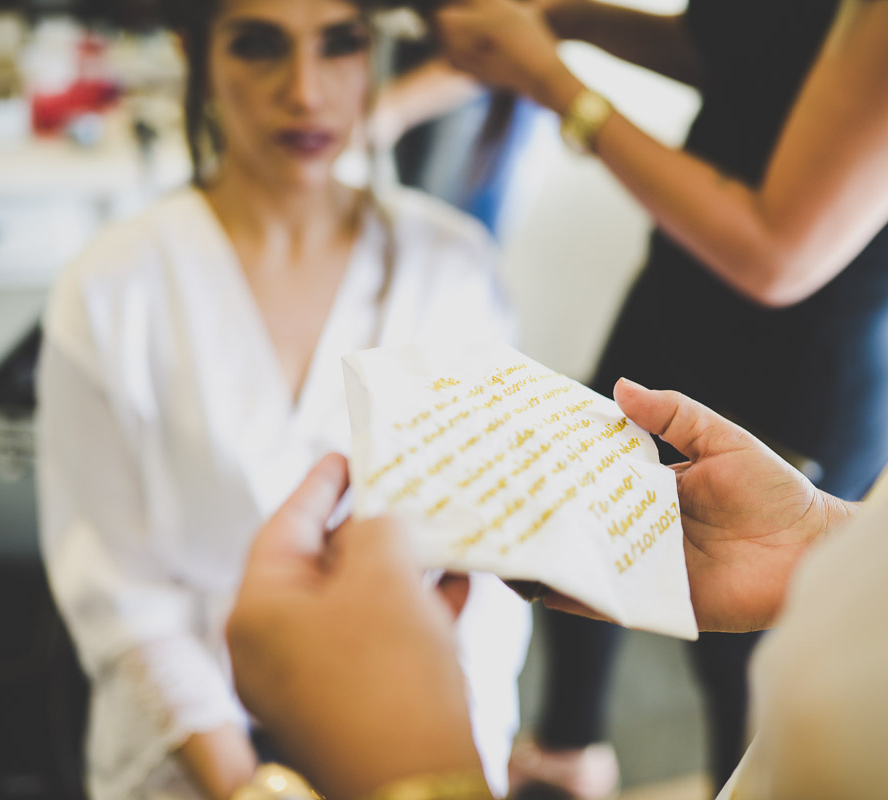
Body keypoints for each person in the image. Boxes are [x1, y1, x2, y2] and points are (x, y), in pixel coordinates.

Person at [222, 19, 888, 799]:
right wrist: (825, 547)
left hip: (799, 366)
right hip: (678, 318)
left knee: (751, 700)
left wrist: (410, 769)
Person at [429, 0, 888, 792]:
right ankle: (567, 756)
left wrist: (555, 84)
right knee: (575, 558)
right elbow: (745, 48)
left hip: (795, 374)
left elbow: (777, 253)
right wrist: (574, 18)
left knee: (744, 684)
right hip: (674, 301)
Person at [35, 1, 530, 798]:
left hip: (418, 735)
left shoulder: (455, 271)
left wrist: (441, 761)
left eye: (339, 45)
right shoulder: (110, 289)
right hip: (192, 747)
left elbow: (495, 567)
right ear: (192, 51)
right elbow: (117, 588)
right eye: (260, 46)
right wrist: (246, 784)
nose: (304, 92)